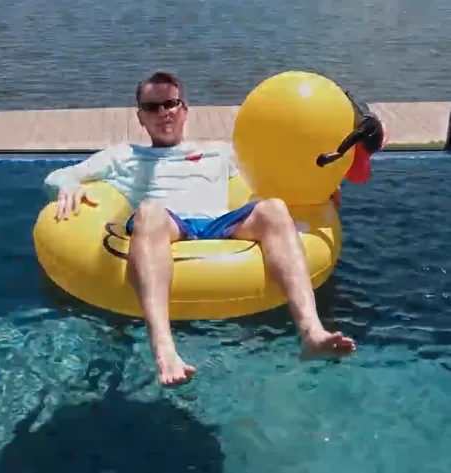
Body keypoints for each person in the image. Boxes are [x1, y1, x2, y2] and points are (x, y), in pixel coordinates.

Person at [42, 71, 357, 387]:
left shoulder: (220, 151)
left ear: (184, 109)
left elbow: (277, 169)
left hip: (220, 223)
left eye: (170, 104)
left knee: (274, 208)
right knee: (149, 212)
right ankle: (165, 350)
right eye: (153, 107)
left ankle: (311, 332)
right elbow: (57, 176)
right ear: (140, 117)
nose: (163, 112)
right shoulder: (124, 155)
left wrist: (317, 188)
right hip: (168, 224)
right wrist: (68, 186)